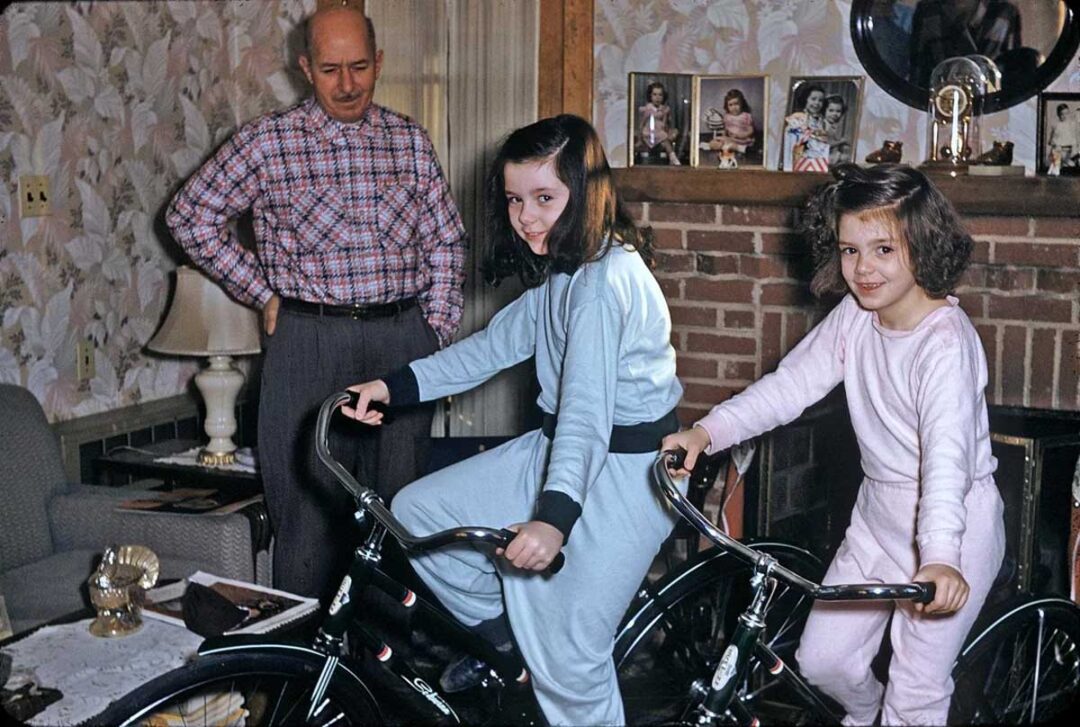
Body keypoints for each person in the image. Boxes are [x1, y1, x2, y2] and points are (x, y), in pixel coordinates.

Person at [343, 114, 684, 726]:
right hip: (562, 450)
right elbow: (490, 348)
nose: (527, 217)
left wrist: (553, 522)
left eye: (545, 199)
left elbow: (585, 413)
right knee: (419, 514)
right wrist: (392, 388)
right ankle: (509, 645)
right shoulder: (564, 269)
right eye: (515, 200)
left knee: (573, 663)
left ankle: (549, 653)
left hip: (629, 473)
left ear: (586, 194)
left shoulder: (604, 284)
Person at [662, 164, 1006, 725]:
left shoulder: (944, 344)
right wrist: (707, 432)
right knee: (823, 660)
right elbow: (789, 386)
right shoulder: (854, 317)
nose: (863, 269)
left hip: (954, 525)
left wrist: (940, 556)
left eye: (882, 249)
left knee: (915, 693)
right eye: (849, 251)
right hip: (878, 518)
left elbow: (946, 460)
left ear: (922, 245)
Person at [165, 4, 467, 603]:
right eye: (331, 70)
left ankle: (384, 681)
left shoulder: (408, 139)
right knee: (305, 522)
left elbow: (446, 241)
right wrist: (260, 291)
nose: (348, 84)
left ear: (379, 62)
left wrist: (433, 333)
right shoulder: (267, 142)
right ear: (305, 67)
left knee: (399, 519)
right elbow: (188, 216)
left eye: (359, 66)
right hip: (309, 345)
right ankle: (303, 684)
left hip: (398, 345)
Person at [783, 83, 829, 172]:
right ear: (806, 100)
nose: (817, 103)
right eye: (813, 99)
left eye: (821, 100)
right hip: (798, 158)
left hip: (817, 161)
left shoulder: (821, 121)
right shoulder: (798, 117)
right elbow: (791, 139)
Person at [637, 81, 682, 165]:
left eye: (660, 95)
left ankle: (671, 157)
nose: (657, 97)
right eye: (654, 94)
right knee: (663, 137)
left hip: (660, 131)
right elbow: (642, 123)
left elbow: (664, 123)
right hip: (649, 132)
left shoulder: (664, 109)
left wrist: (668, 131)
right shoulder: (648, 109)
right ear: (650, 96)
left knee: (666, 138)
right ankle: (672, 156)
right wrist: (640, 138)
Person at [707, 88, 756, 162]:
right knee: (716, 140)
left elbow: (751, 130)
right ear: (727, 106)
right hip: (730, 139)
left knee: (732, 145)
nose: (734, 107)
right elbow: (725, 129)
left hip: (742, 140)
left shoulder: (746, 116)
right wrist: (723, 136)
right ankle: (717, 145)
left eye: (736, 104)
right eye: (731, 105)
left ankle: (740, 148)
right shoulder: (727, 116)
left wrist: (741, 135)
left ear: (742, 103)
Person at [1048, 103, 1080, 170]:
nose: (1065, 116)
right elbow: (1050, 141)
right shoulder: (1055, 125)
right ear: (1058, 114)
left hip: (1070, 152)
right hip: (1057, 151)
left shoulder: (1072, 124)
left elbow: (1075, 139)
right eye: (1062, 114)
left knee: (1071, 167)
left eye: (1067, 113)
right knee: (1055, 170)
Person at [824, 94, 851, 166]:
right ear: (824, 110)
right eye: (831, 110)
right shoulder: (823, 125)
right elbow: (825, 144)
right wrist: (841, 141)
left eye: (838, 111)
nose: (834, 114)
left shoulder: (833, 126)